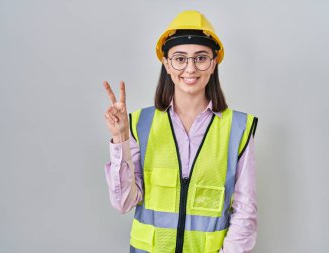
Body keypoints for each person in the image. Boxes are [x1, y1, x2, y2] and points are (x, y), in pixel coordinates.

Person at [103, 10, 258, 253]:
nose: (190, 68)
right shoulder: (140, 124)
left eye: (201, 58)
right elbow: (123, 202)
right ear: (166, 63)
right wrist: (120, 138)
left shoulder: (237, 128)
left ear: (214, 63)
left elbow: (245, 212)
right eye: (180, 58)